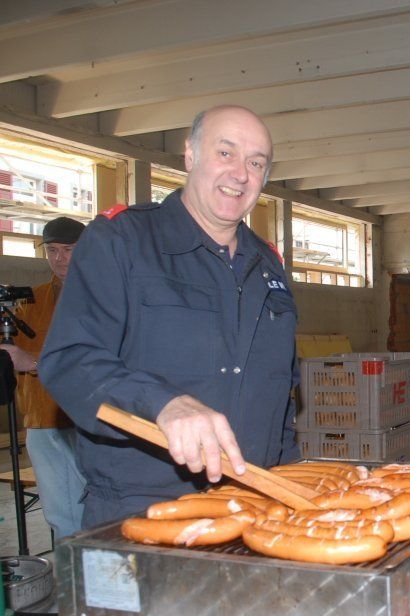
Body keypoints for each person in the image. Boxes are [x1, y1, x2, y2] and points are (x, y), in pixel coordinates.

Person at [39, 105, 300, 528]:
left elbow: (281, 394)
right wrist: (161, 403)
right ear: (190, 156)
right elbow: (71, 360)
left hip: (256, 504)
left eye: (256, 163)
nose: (240, 174)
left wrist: (291, 482)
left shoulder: (268, 265)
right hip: (143, 512)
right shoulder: (122, 241)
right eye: (225, 153)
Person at [1, 217, 88, 539]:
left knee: (104, 506)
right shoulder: (31, 301)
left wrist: (35, 362)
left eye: (68, 249)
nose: (59, 259)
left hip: (92, 416)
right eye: (52, 251)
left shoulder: (106, 294)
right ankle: (72, 565)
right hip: (43, 416)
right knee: (62, 513)